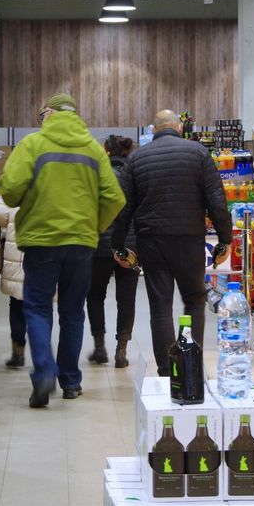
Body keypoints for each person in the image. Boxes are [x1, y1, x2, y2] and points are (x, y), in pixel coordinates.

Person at [0, 94, 126, 407]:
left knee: (38, 307)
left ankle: (44, 372)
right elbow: (114, 198)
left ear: (50, 114)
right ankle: (70, 381)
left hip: (41, 242)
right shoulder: (94, 149)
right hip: (81, 244)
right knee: (72, 311)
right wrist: (92, 226)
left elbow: (11, 193)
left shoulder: (32, 145)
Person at [110, 109, 233, 377]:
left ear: (153, 130)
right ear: (179, 128)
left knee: (160, 305)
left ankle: (167, 368)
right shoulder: (198, 154)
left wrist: (118, 246)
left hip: (151, 241)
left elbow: (123, 208)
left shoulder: (137, 159)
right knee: (194, 299)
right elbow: (217, 201)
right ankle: (192, 363)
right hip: (189, 239)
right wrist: (225, 239)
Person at [86, 135, 139, 369]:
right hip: (130, 245)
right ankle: (122, 349)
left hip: (100, 245)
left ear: (106, 152)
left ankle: (99, 347)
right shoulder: (136, 174)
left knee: (95, 296)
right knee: (126, 299)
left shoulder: (97, 173)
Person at [0, 197, 27, 368]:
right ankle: (42, 354)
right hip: (42, 249)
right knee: (42, 306)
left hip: (16, 250)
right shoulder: (49, 174)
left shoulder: (15, 177)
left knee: (17, 303)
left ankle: (18, 352)